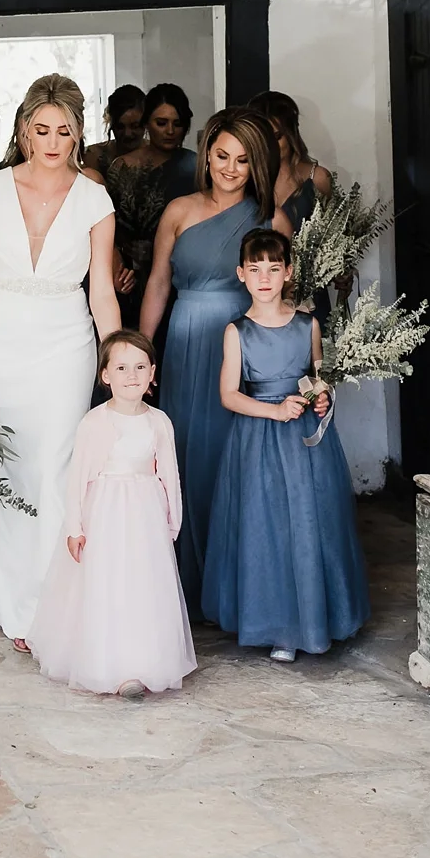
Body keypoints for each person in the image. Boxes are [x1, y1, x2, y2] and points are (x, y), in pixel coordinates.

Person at [0, 74, 123, 650]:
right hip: (4, 338)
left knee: (55, 465)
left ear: (78, 134)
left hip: (67, 338)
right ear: (23, 130)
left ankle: (47, 602)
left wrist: (118, 360)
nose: (51, 141)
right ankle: (5, 591)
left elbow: (101, 291)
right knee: (14, 462)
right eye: (41, 130)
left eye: (63, 131)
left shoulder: (94, 198)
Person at [136, 107, 292, 613]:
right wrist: (142, 351)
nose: (230, 168)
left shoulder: (272, 219)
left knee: (238, 459)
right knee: (185, 457)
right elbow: (159, 282)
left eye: (242, 160)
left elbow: (286, 299)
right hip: (186, 344)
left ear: (256, 165)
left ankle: (239, 586)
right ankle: (187, 583)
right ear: (206, 155)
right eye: (222, 156)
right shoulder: (179, 211)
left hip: (246, 350)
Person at [202, 228, 368, 662]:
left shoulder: (307, 325)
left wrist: (322, 397)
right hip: (259, 438)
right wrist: (274, 411)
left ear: (288, 272)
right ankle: (279, 625)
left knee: (311, 521)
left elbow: (317, 378)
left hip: (305, 441)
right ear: (241, 274)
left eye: (273, 269)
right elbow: (229, 395)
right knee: (268, 524)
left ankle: (315, 619)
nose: (264, 278)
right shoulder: (237, 331)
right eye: (255, 269)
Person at [26, 329, 195, 696]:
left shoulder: (159, 422)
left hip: (145, 514)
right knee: (108, 582)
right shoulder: (94, 422)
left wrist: (172, 521)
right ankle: (109, 665)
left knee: (142, 585)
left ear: (152, 373)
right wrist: (75, 526)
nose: (131, 375)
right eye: (121, 368)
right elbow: (78, 479)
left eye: (140, 367)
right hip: (104, 513)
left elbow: (170, 476)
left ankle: (142, 664)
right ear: (105, 375)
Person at [103, 84, 196, 330]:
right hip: (129, 277)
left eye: (177, 124)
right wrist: (121, 255)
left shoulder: (196, 168)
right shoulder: (122, 167)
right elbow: (107, 226)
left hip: (181, 277)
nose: (170, 131)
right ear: (146, 123)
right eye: (161, 123)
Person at [248, 91, 334, 234]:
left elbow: (333, 232)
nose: (269, 145)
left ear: (291, 134)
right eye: (261, 137)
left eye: (276, 137)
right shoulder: (244, 178)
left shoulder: (318, 178)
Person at [81, 85, 147, 178]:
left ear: (146, 123)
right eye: (120, 127)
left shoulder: (159, 155)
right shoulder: (94, 156)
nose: (127, 133)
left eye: (135, 126)